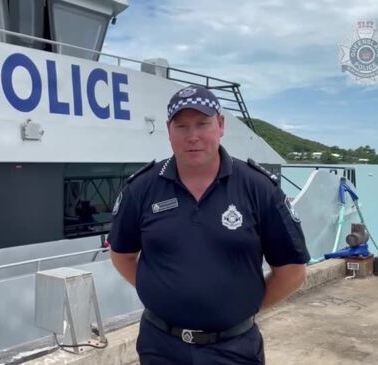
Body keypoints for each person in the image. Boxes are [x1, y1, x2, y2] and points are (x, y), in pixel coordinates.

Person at [108, 85, 310, 364]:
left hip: (234, 349)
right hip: (160, 347)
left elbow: (292, 271)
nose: (193, 137)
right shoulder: (142, 188)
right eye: (182, 126)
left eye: (202, 124)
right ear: (169, 130)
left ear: (221, 125)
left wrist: (242, 308)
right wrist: (158, 290)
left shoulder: (258, 187)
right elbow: (122, 255)